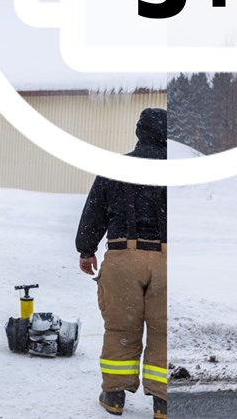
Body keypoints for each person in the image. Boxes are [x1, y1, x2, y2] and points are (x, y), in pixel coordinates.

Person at [77, 108, 168, 419]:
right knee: (162, 332)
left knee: (120, 329)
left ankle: (114, 396)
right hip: (167, 261)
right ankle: (163, 403)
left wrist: (86, 250)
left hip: (122, 258)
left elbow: (93, 214)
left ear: (139, 132)